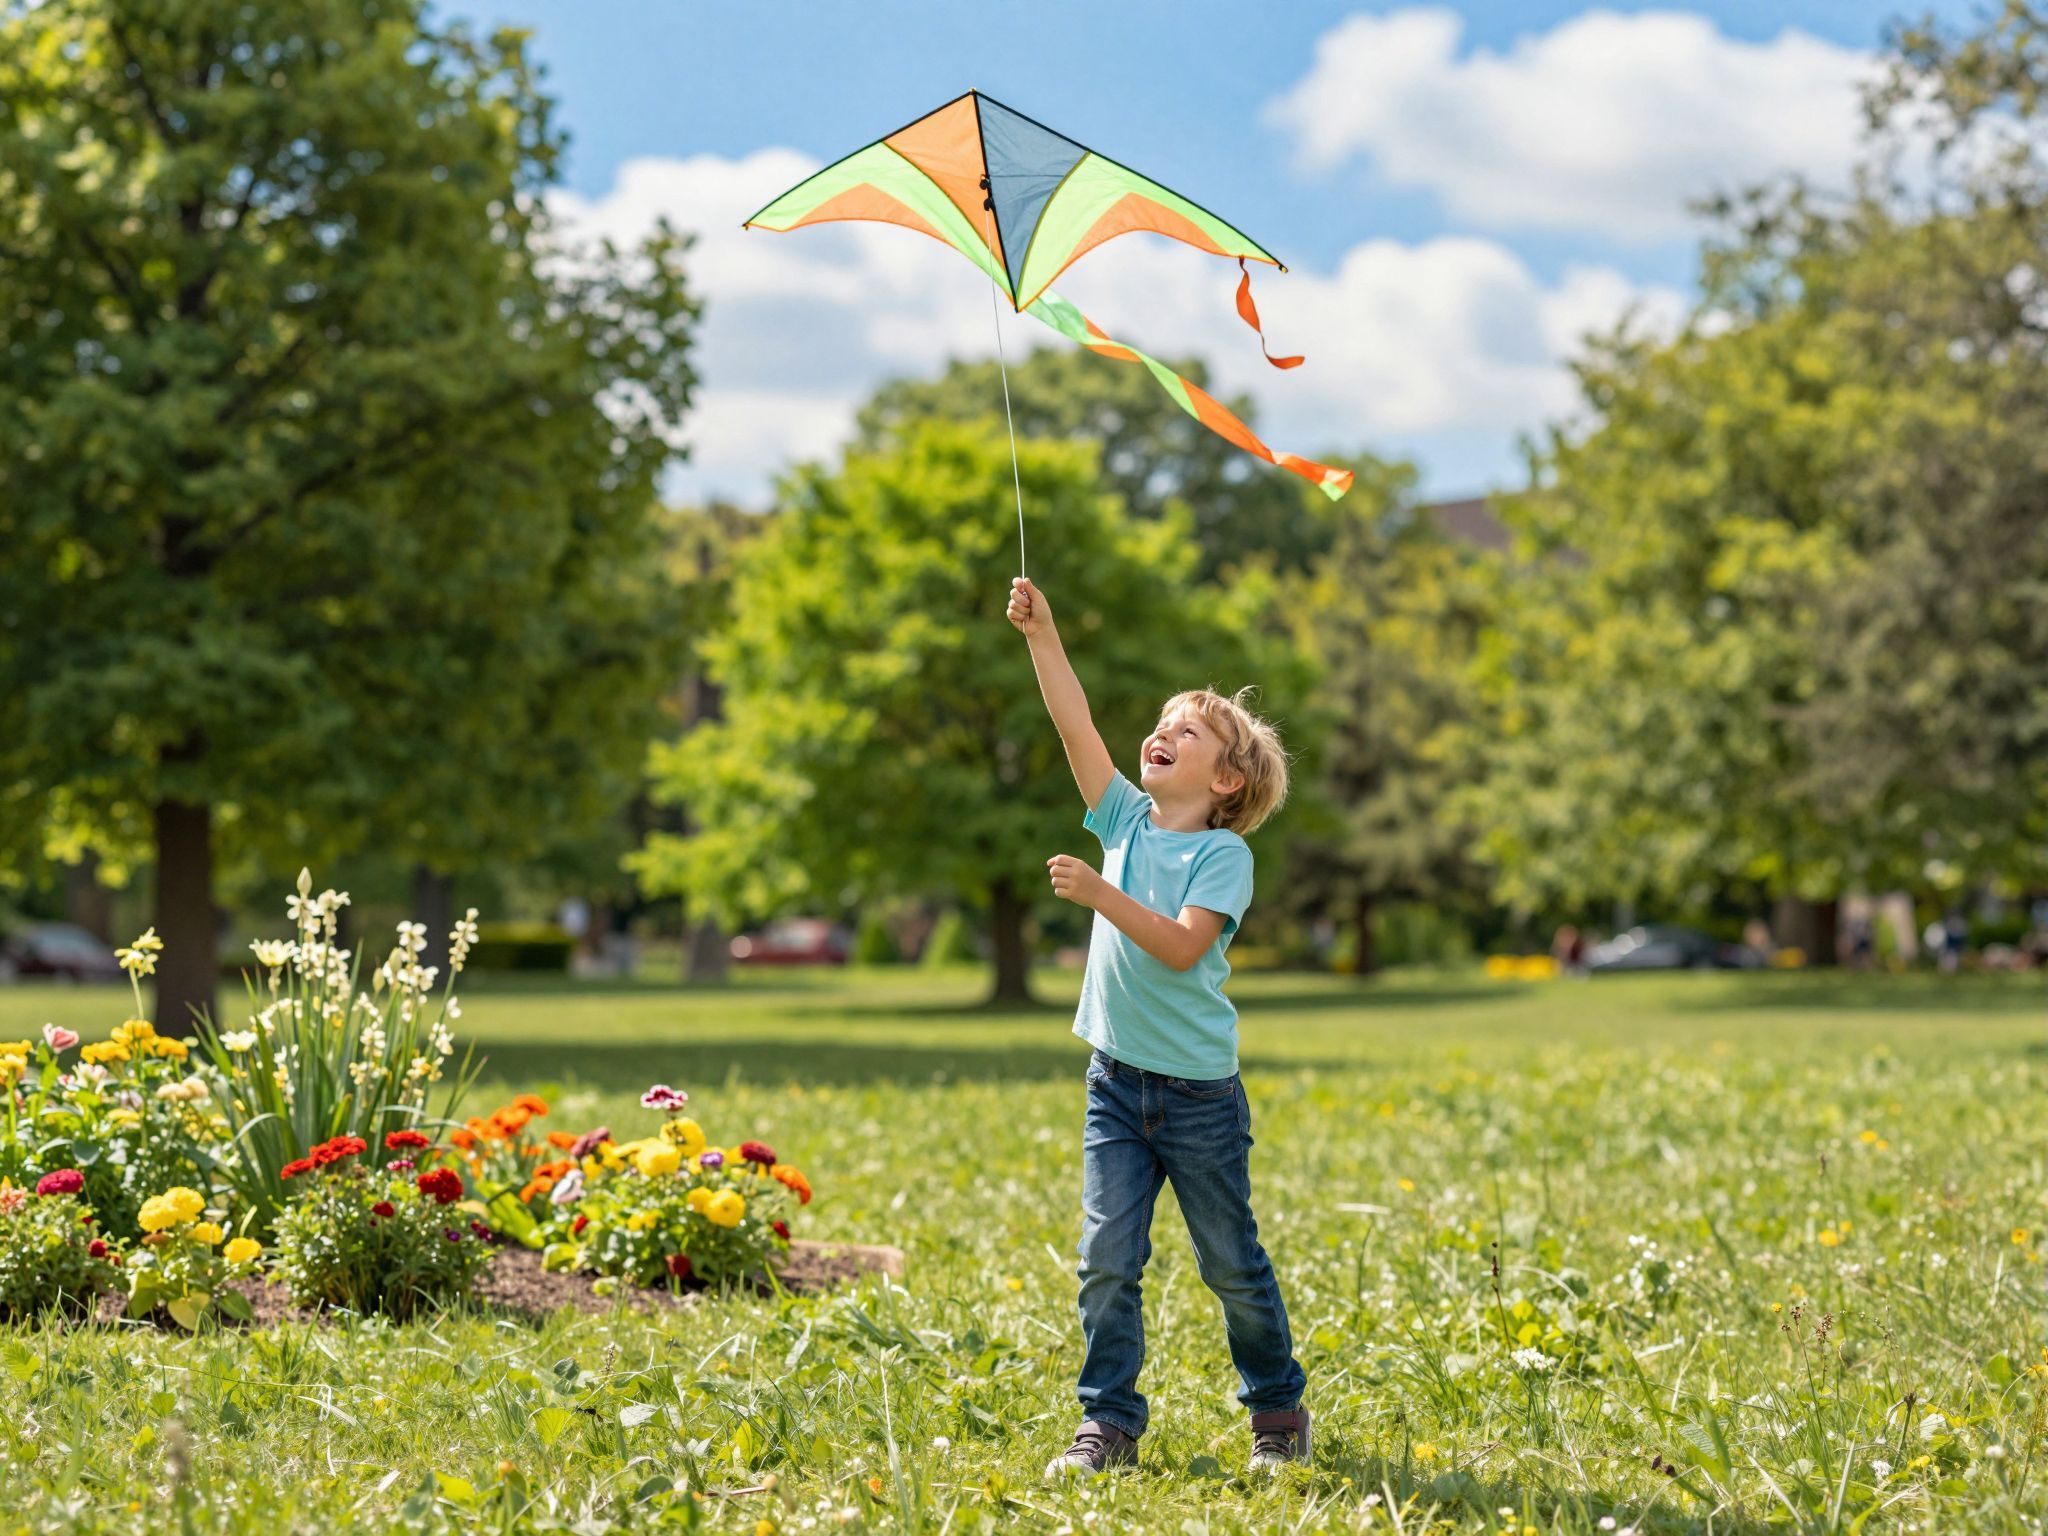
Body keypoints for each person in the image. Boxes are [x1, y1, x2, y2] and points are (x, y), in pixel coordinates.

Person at [1006, 575, 1309, 1480]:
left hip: (1197, 1097)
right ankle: (1109, 1425)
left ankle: (1278, 1413)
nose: (1163, 732)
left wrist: (1100, 893)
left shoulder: (1223, 854)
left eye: (1189, 731)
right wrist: (1043, 634)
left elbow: (1181, 948)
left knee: (1230, 1264)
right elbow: (1075, 727)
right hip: (1115, 1082)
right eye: (1163, 721)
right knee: (1105, 1259)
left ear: (1225, 779)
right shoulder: (1125, 819)